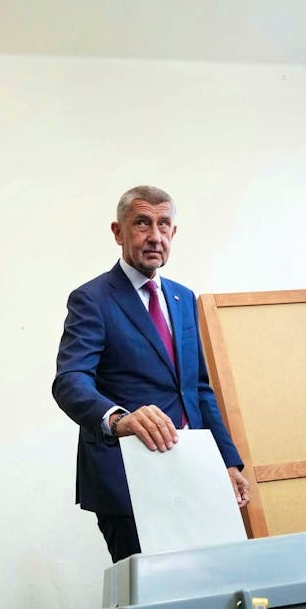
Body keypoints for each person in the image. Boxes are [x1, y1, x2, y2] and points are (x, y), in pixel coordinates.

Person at [52, 185, 250, 563]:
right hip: (128, 481)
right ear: (118, 232)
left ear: (174, 233)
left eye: (163, 225)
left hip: (194, 475)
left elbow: (198, 390)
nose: (154, 236)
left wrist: (228, 462)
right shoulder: (91, 299)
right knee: (157, 607)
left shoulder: (183, 297)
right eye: (142, 223)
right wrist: (119, 419)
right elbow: (70, 380)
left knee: (211, 591)